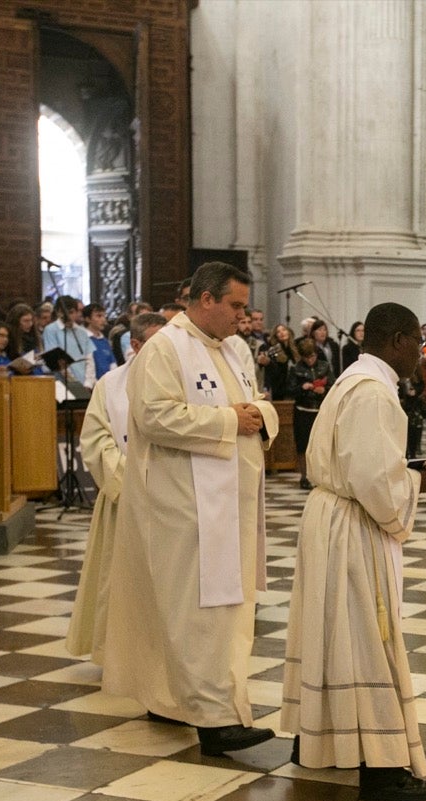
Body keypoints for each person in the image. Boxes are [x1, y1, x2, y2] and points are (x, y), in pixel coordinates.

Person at [100, 262, 280, 758]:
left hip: (225, 505)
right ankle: (214, 720)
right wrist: (230, 419)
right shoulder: (165, 348)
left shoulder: (231, 351)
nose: (243, 318)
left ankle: (189, 702)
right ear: (205, 300)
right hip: (187, 507)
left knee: (221, 612)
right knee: (198, 613)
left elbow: (257, 405)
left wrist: (253, 415)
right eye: (236, 306)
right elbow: (154, 417)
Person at [281, 301, 426, 801]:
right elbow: (374, 480)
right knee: (367, 636)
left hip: (331, 518)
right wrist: (414, 482)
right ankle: (382, 769)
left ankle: (315, 737)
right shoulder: (374, 393)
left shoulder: (351, 380)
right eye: (417, 341)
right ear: (395, 340)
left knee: (334, 633)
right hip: (354, 525)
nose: (421, 353)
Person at [67, 311, 167, 660]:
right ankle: (118, 652)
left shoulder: (178, 381)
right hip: (125, 497)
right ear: (135, 345)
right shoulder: (110, 385)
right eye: (154, 343)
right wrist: (131, 480)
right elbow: (95, 441)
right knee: (120, 579)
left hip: (173, 499)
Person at [288, 336, 331, 490]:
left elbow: (333, 385)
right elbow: (290, 390)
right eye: (307, 357)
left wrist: (323, 390)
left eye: (312, 356)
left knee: (322, 445)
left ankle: (321, 476)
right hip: (303, 410)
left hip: (320, 410)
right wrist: (302, 388)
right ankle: (304, 476)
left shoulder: (325, 366)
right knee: (303, 445)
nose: (310, 360)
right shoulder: (296, 368)